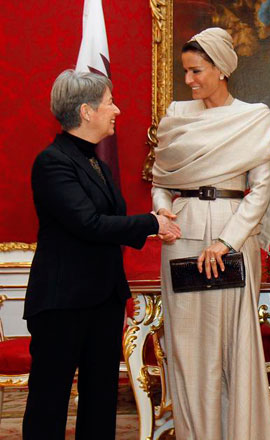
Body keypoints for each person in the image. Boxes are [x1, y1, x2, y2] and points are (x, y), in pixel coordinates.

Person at [23, 70, 181, 439]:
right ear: (86, 111)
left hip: (102, 298)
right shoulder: (52, 162)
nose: (117, 110)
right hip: (62, 304)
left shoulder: (96, 163)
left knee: (101, 399)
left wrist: (153, 222)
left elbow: (106, 222)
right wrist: (152, 222)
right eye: (110, 102)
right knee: (49, 402)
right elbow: (88, 223)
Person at [151, 27, 270, 439]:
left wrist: (226, 242)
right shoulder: (176, 116)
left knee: (233, 343)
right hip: (181, 235)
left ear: (222, 69)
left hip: (232, 239)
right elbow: (160, 181)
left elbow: (261, 189)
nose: (189, 80)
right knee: (187, 346)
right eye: (186, 71)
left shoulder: (255, 119)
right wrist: (162, 211)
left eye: (196, 71)